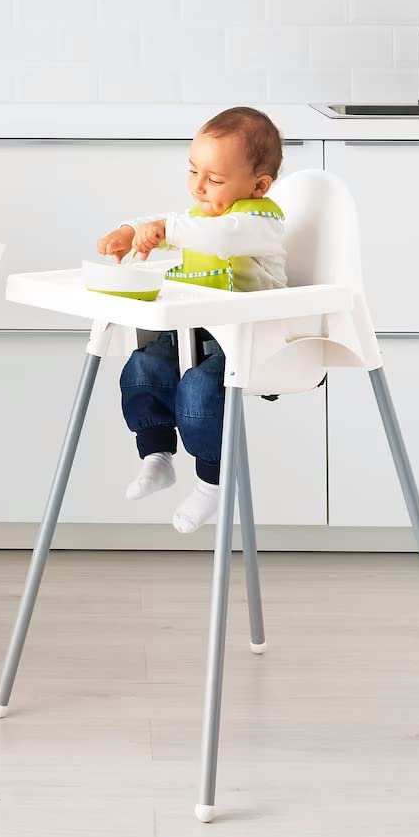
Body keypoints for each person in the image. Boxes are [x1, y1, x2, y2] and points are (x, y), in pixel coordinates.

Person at [97, 107, 286, 533]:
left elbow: (217, 236)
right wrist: (130, 232)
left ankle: (212, 482)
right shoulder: (199, 218)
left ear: (258, 185)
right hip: (195, 332)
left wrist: (165, 229)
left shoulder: (260, 223)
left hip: (248, 341)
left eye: (214, 179)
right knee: (143, 366)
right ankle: (156, 454)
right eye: (192, 171)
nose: (198, 186)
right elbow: (174, 224)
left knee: (199, 389)